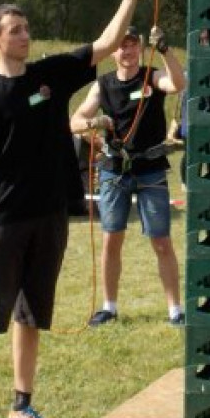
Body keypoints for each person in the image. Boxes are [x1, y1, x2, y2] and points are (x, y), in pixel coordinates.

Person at [0, 0, 142, 418]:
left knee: (31, 315)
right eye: (15, 31)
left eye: (26, 28)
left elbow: (107, 43)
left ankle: (22, 405)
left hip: (49, 217)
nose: (25, 36)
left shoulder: (50, 76)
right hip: (2, 219)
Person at [70, 25, 187, 328]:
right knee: (112, 240)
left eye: (133, 45)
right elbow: (75, 121)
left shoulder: (151, 75)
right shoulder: (103, 85)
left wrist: (164, 50)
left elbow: (177, 83)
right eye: (122, 46)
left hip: (151, 169)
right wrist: (98, 121)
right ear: (113, 53)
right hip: (113, 172)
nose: (128, 51)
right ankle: (109, 307)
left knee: (161, 241)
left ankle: (176, 309)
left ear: (140, 48)